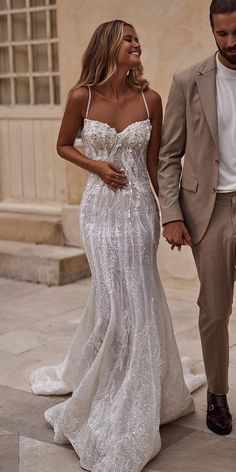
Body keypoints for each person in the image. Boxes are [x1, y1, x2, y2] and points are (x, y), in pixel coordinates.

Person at [30, 20, 204, 472]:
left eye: (137, 38)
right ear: (109, 45)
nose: (136, 43)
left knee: (140, 296)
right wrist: (97, 166)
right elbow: (63, 145)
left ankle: (139, 385)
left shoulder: (151, 100)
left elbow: (155, 163)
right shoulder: (80, 97)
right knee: (112, 300)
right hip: (100, 213)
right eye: (128, 38)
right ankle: (107, 381)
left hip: (139, 213)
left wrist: (171, 214)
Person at [158, 0, 236, 437]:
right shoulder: (188, 81)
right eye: (222, 34)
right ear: (212, 31)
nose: (230, 42)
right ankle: (218, 394)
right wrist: (170, 214)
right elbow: (169, 155)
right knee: (214, 309)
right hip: (212, 209)